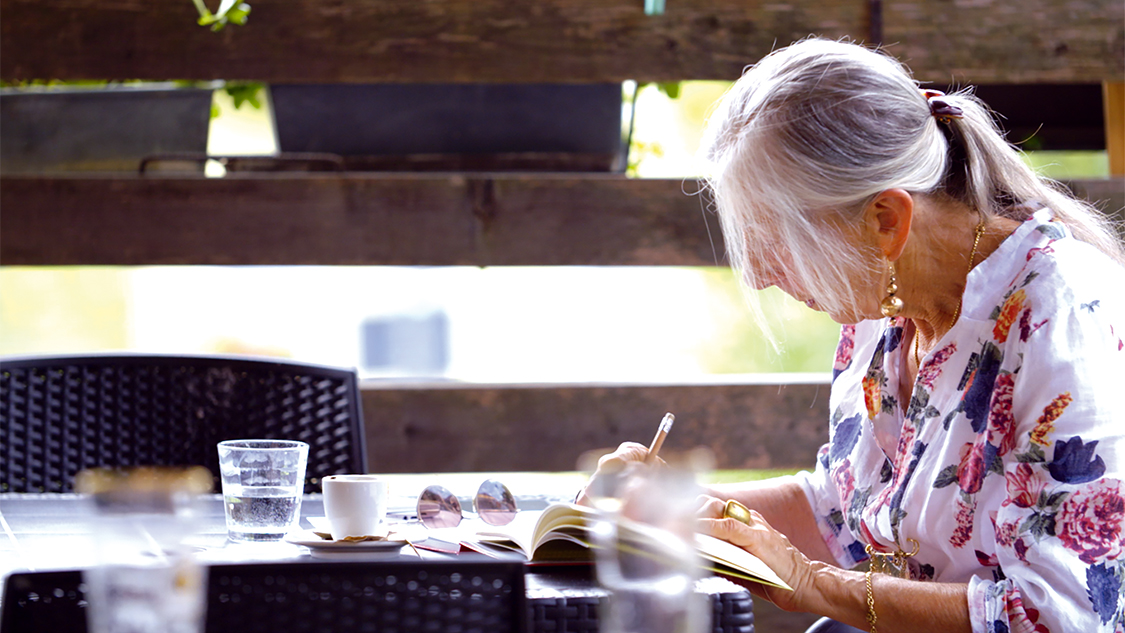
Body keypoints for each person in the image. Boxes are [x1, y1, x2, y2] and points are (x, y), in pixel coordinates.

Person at [579, 38, 1125, 633]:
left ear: (887, 220)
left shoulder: (1064, 318)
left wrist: (813, 586)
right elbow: (844, 512)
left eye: (778, 243)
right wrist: (670, 512)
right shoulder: (883, 303)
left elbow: (1066, 616)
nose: (760, 277)